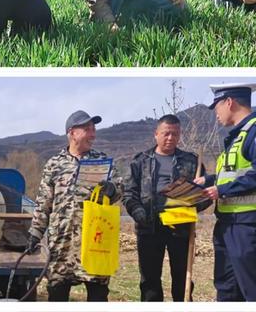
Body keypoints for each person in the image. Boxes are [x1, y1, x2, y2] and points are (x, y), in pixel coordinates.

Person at [28, 110, 119, 302]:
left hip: (94, 242)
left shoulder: (101, 161)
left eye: (93, 129)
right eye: (87, 129)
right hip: (62, 244)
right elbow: (44, 202)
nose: (93, 134)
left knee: (97, 296)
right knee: (57, 294)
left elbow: (120, 187)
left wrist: (112, 188)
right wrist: (35, 233)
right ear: (72, 132)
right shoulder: (54, 164)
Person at [122, 114, 209, 301]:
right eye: (166, 133)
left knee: (182, 281)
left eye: (175, 134)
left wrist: (193, 203)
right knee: (150, 282)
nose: (170, 138)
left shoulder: (191, 162)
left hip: (181, 228)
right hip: (149, 228)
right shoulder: (140, 161)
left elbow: (206, 194)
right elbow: (129, 193)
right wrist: (138, 212)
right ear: (156, 134)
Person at [195, 83, 256, 301]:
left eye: (217, 106)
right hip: (228, 225)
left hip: (247, 227)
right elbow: (236, 172)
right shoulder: (237, 136)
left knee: (251, 289)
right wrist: (209, 180)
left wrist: (221, 190)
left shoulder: (253, 132)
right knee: (228, 290)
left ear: (229, 102)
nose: (216, 114)